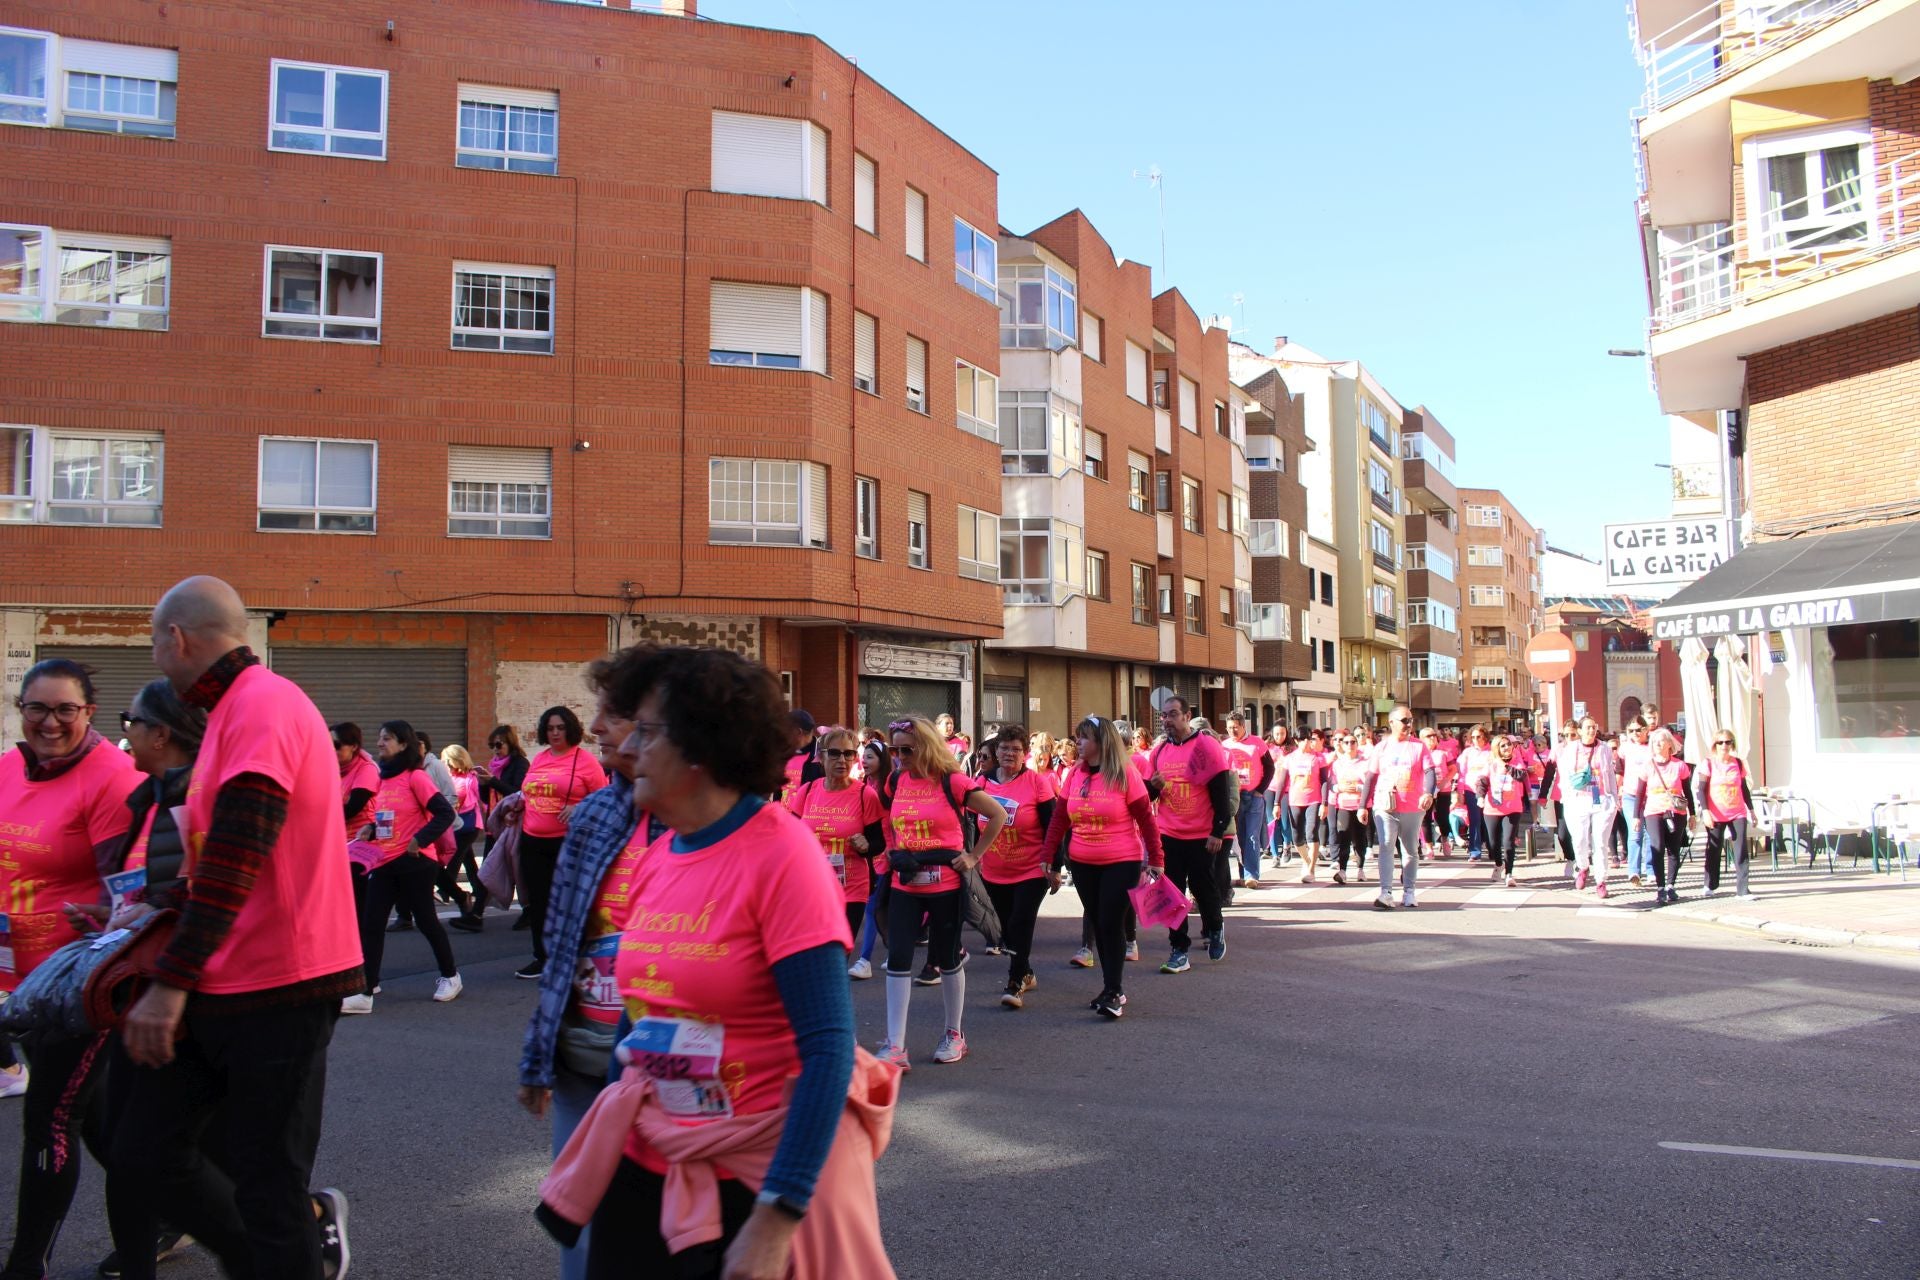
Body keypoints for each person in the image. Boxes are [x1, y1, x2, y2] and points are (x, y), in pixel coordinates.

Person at [552, 645, 887, 1280]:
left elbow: (827, 1047)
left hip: (752, 1174)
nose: (628, 749)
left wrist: (777, 1216)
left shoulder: (782, 853)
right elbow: (640, 1017)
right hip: (654, 1156)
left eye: (647, 733)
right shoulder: (658, 853)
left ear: (700, 748)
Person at [115, 576, 360, 1280]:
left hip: (284, 982)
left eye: (156, 644)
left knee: (266, 1181)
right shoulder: (228, 712)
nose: (158, 660)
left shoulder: (263, 705)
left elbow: (238, 855)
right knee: (143, 1151)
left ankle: (289, 1252)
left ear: (177, 638)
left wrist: (168, 985)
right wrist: (153, 906)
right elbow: (212, 860)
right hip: (227, 976)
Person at [518, 648, 667, 1280]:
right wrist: (539, 1052)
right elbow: (561, 945)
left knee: (653, 1227)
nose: (596, 726)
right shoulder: (599, 813)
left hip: (663, 1068)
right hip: (585, 1048)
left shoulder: (699, 824)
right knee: (575, 1223)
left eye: (613, 714)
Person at [0, 658, 138, 1280]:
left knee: (50, 1117)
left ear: (89, 710)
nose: (49, 723)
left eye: (65, 710)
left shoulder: (112, 778)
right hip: (14, 973)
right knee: (100, 1121)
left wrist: (99, 916)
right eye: (36, 708)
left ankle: (26, 1264)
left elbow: (132, 892)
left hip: (79, 983)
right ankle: (177, 1202)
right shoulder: (8, 766)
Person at [83, 678, 207, 1280]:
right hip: (136, 983)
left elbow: (204, 897)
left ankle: (301, 1224)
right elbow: (138, 887)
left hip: (180, 999)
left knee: (166, 1149)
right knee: (125, 1141)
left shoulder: (194, 802)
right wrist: (111, 917)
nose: (122, 730)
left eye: (130, 720)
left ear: (162, 733)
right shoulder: (147, 797)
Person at [874, 717, 1006, 1070]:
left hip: (946, 884)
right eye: (895, 749)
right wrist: (891, 849)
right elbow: (888, 819)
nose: (900, 756)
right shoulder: (895, 780)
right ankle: (895, 1045)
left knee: (946, 958)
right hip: (906, 882)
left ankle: (953, 1034)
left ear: (927, 747)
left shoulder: (953, 782)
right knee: (899, 957)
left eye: (907, 749)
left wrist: (973, 856)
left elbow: (997, 815)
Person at [1032, 715, 1163, 1020]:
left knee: (1109, 922)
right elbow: (1060, 819)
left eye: (1084, 738)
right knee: (1099, 923)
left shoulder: (1125, 773)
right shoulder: (1074, 774)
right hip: (1082, 862)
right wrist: (1048, 854)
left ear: (1102, 743)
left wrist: (1157, 859)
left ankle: (1114, 991)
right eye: (1077, 737)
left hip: (1122, 861)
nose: (1077, 743)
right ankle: (1110, 988)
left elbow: (1146, 819)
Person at [342, 720, 462, 1013]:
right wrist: (370, 828)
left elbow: (444, 813)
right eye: (380, 738)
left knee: (426, 920)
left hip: (415, 862)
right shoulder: (382, 778)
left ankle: (450, 976)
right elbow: (388, 816)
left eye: (387, 739)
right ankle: (366, 991)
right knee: (372, 924)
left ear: (404, 745)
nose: (380, 743)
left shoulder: (415, 777)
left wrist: (419, 840)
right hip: (383, 861)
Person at [517, 705, 610, 980]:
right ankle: (542, 957)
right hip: (532, 840)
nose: (555, 732)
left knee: (569, 903)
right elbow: (529, 792)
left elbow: (605, 799)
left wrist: (579, 807)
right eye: (550, 728)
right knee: (539, 903)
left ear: (571, 728)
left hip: (567, 843)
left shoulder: (585, 761)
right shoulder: (540, 759)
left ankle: (575, 958)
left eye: (560, 727)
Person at [1142, 696, 1232, 972]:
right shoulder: (1158, 752)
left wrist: (1217, 831)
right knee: (1172, 894)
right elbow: (1147, 797)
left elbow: (1222, 795)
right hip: (1169, 834)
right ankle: (1178, 949)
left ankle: (1215, 928)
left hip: (1201, 835)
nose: (1167, 721)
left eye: (1172, 714)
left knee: (1204, 889)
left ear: (1187, 715)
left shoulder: (1206, 747)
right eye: (1163, 716)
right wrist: (1154, 787)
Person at [976, 726, 1058, 1011]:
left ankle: (1014, 981)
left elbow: (1053, 826)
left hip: (1031, 869)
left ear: (1025, 754)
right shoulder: (983, 783)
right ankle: (1026, 970)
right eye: (1004, 748)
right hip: (994, 869)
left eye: (1016, 749)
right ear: (995, 752)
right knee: (1005, 930)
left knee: (1020, 923)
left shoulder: (1037, 783)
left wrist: (1055, 865)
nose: (1009, 753)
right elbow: (972, 825)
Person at [788, 728, 887, 951]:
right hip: (813, 886)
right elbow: (791, 837)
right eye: (834, 753)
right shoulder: (807, 791)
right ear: (821, 758)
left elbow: (878, 842)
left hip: (851, 887)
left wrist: (865, 846)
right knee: (812, 952)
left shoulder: (865, 795)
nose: (842, 760)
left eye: (848, 754)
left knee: (839, 955)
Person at [1369, 706, 1435, 911]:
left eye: (1410, 720)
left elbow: (1430, 771)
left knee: (1410, 849)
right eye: (1404, 720)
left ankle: (1409, 891)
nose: (1408, 724)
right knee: (1386, 845)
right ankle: (1386, 892)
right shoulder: (1381, 747)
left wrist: (1429, 793)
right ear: (1391, 723)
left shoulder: (1419, 746)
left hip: (1412, 806)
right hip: (1385, 804)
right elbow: (1371, 776)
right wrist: (1363, 805)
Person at [1556, 717, 1620, 898]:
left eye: (1594, 727)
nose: (1591, 731)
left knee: (1600, 841)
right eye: (1588, 728)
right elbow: (1565, 776)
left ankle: (1601, 880)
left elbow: (1610, 775)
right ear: (1581, 731)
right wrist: (1567, 798)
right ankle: (1583, 866)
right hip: (1578, 799)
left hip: (1600, 798)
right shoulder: (1571, 749)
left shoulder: (1605, 749)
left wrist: (1614, 798)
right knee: (1580, 839)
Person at [848, 738, 893, 981]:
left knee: (874, 907)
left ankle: (865, 960)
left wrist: (894, 847)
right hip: (871, 854)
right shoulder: (864, 785)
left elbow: (897, 818)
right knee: (878, 907)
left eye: (870, 757)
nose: (864, 761)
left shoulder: (889, 786)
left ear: (882, 760)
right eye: (863, 757)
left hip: (887, 854)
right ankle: (893, 951)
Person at [1635, 728, 1694, 906]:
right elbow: (1639, 793)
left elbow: (1688, 791)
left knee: (1673, 848)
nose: (1658, 744)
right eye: (1654, 742)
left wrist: (1693, 814)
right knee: (1657, 846)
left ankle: (1670, 885)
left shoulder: (1680, 766)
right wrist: (1635, 817)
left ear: (1670, 744)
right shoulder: (1647, 766)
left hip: (1676, 811)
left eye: (1661, 741)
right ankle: (1660, 888)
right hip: (1654, 811)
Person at [1695, 730, 1755, 900]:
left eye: (1728, 742)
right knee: (1714, 849)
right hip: (1716, 812)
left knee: (1741, 849)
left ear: (1732, 744)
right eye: (1720, 743)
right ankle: (1710, 884)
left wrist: (1751, 810)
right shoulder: (1708, 763)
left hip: (1737, 811)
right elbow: (1701, 790)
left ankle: (1743, 890)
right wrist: (1705, 812)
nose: (1724, 746)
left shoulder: (1738, 763)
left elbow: (1744, 789)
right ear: (1715, 745)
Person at [1222, 712, 1274, 889]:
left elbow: (1270, 767)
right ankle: (1243, 873)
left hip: (1253, 795)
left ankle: (1252, 875)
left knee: (1252, 836)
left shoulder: (1257, 743)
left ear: (1243, 726)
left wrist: (1260, 790)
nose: (1232, 731)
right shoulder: (1225, 746)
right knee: (1239, 837)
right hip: (1235, 796)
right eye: (1229, 728)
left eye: (1235, 727)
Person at [442, 744, 488, 932]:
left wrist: (490, 820)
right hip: (455, 826)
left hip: (469, 826)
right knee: (469, 863)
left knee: (454, 860)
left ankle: (445, 891)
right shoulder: (448, 777)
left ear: (455, 760)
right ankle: (478, 891)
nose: (444, 764)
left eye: (446, 761)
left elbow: (483, 802)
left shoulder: (471, 779)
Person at [1477, 734, 1531, 889]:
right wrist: (1480, 796)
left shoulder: (1517, 760)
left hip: (1512, 808)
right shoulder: (1491, 764)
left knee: (1508, 842)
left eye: (1508, 744)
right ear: (1496, 749)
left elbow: (1521, 776)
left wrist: (1506, 766)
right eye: (1503, 746)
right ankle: (1498, 864)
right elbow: (1482, 781)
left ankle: (1509, 873)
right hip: (1492, 808)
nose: (1507, 748)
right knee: (1493, 844)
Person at [1278, 728, 1329, 883]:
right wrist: (1276, 803)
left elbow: (1325, 781)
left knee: (1311, 832)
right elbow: (1282, 781)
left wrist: (1324, 803)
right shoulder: (1290, 758)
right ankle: (1306, 860)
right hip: (1294, 800)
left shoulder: (1318, 758)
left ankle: (1311, 868)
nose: (1306, 742)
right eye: (1302, 739)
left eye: (1309, 739)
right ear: (1296, 740)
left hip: (1313, 799)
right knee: (1297, 837)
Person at [1324, 730, 1373, 886]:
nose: (1350, 745)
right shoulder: (1337, 763)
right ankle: (1343, 870)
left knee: (1359, 838)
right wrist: (1339, 787)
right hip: (1343, 804)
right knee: (1343, 835)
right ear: (1342, 745)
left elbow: (1370, 783)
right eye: (1346, 742)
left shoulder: (1365, 762)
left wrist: (1358, 787)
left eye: (1353, 742)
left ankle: (1360, 868)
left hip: (1361, 805)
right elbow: (1331, 783)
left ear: (1357, 745)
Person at [1617, 721, 1654, 888]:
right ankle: (1634, 871)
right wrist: (1618, 791)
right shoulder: (1624, 748)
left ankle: (1651, 870)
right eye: (1630, 730)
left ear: (1645, 730)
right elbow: (1619, 771)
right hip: (1631, 795)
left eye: (1638, 730)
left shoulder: (1653, 745)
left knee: (1650, 834)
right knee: (1635, 832)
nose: (1635, 733)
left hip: (1651, 795)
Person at [1421, 728, 1456, 859]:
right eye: (1428, 736)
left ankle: (1445, 839)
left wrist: (1443, 782)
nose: (1432, 738)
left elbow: (1453, 769)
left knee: (1442, 817)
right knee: (1425, 818)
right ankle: (1429, 847)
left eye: (1434, 735)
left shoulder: (1444, 753)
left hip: (1443, 789)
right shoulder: (1420, 754)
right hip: (1425, 790)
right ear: (1422, 739)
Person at [779, 708, 822, 805]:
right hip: (782, 816)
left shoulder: (821, 757)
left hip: (806, 817)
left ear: (798, 732)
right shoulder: (783, 753)